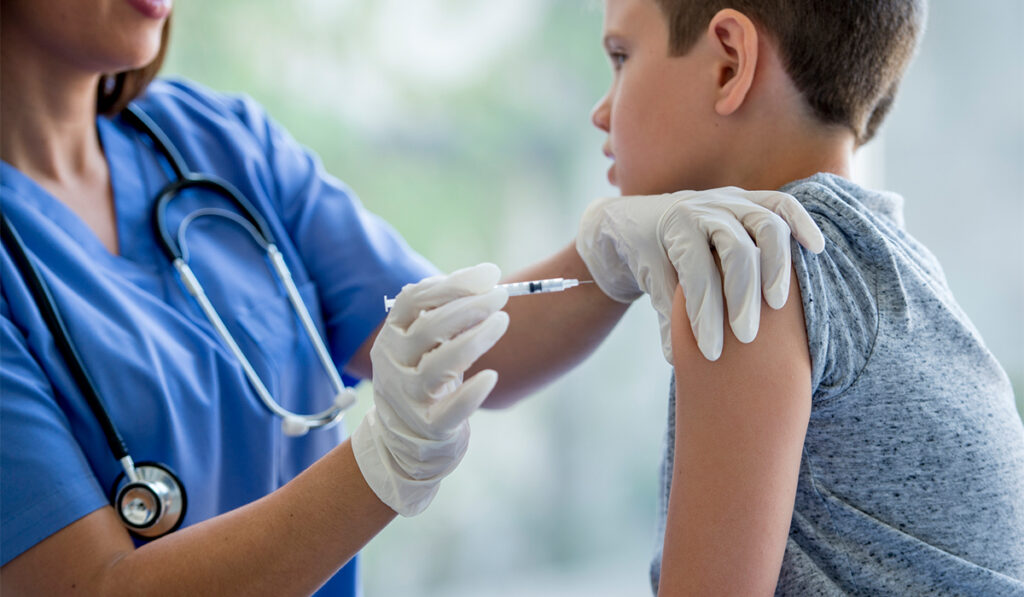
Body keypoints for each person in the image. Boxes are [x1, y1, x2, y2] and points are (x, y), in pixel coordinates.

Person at [0, 1, 826, 595]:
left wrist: (602, 253)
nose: (602, 107)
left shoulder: (218, 145)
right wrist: (378, 462)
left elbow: (458, 343)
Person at [577, 0, 1024, 594]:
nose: (599, 112)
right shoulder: (897, 266)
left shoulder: (751, 268)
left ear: (729, 65)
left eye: (620, 57)